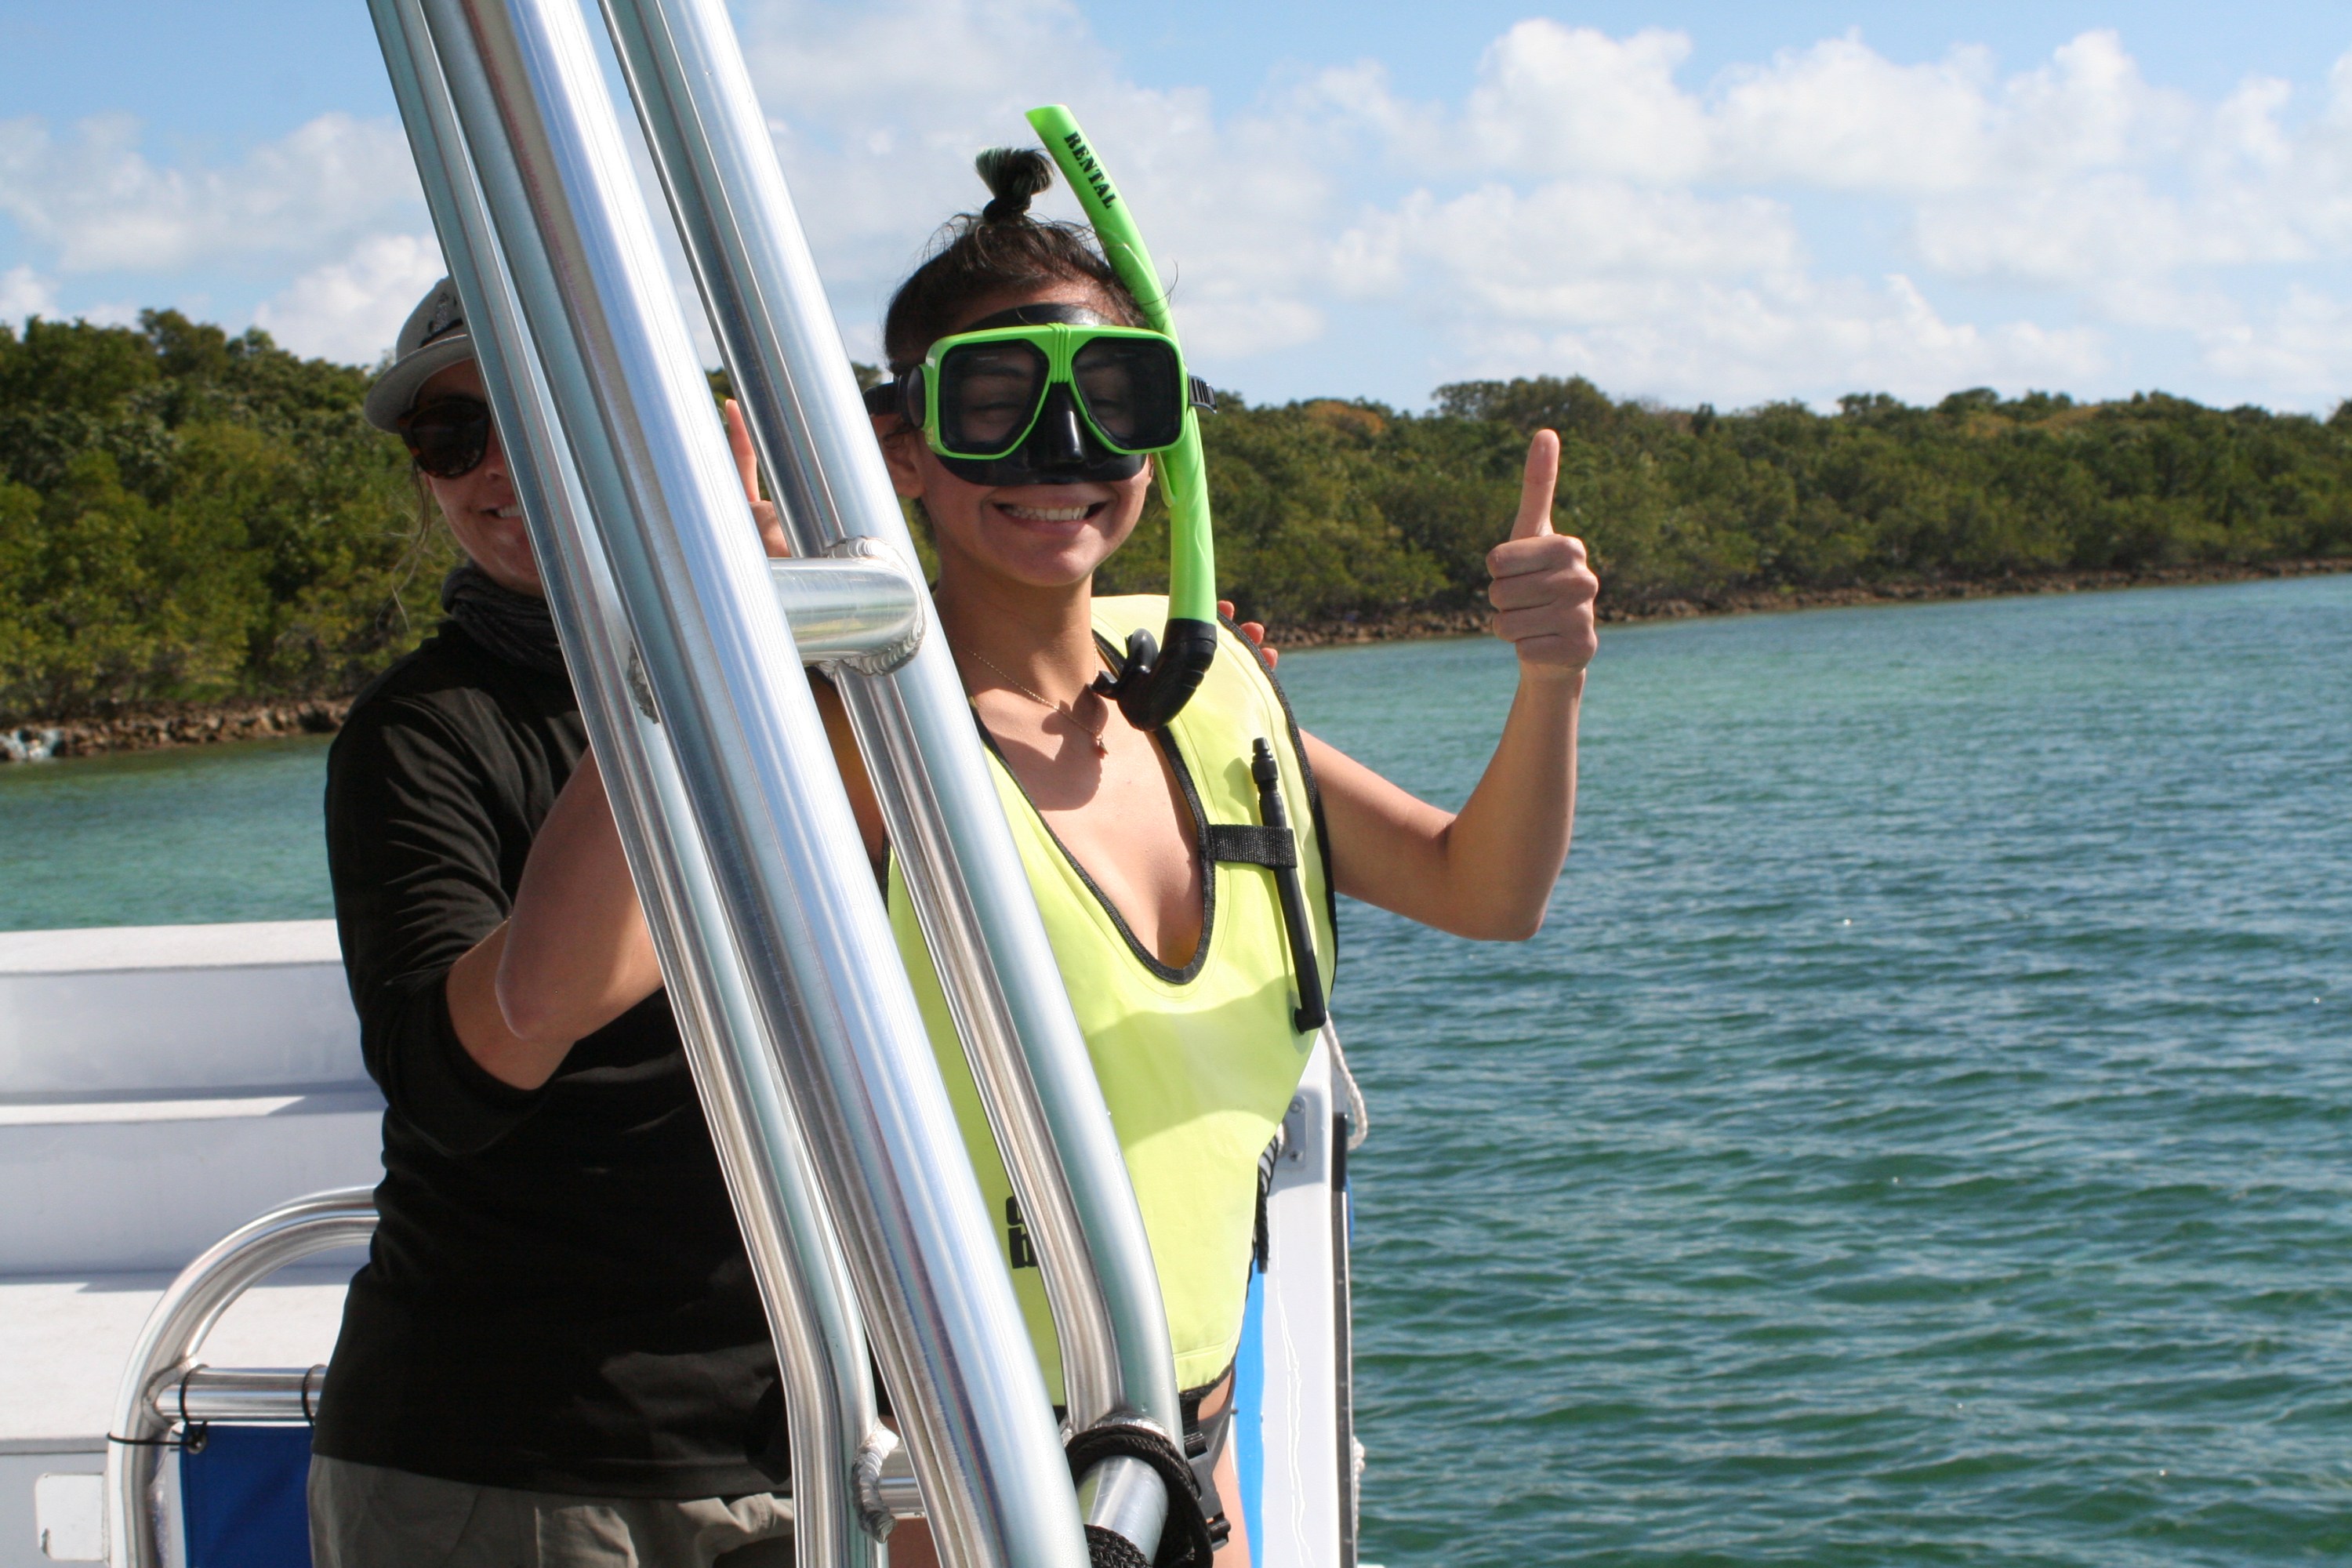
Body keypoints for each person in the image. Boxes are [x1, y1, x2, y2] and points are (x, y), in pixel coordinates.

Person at [841, 148, 1599, 1566]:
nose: (1059, 459)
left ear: (1164, 437)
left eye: (1110, 405)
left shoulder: (1206, 698)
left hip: (1191, 1436)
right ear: (904, 450)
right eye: (996, 410)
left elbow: (1484, 892)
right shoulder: (866, 728)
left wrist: (1548, 681)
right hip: (970, 1466)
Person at [311, 278, 797, 1567]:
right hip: (501, 1461)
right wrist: (689, 644)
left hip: (803, 1432)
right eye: (451, 437)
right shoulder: (421, 735)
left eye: (542, 415)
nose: (495, 469)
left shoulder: (812, 695)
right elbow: (461, 1074)